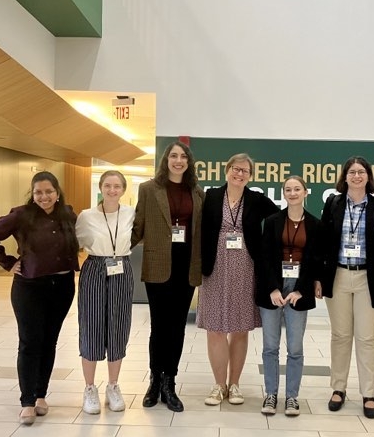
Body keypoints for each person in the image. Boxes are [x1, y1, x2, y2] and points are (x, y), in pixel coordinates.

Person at [0, 171, 79, 425]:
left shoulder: (67, 214)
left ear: (57, 193)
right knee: (29, 342)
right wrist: (8, 263)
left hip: (63, 285)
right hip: (29, 287)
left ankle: (41, 396)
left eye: (49, 191)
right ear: (32, 194)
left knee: (49, 341)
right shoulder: (21, 215)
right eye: (38, 192)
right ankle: (27, 401)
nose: (44, 196)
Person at [317, 156, 374, 419]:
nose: (356, 176)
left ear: (368, 177)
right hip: (339, 276)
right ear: (344, 177)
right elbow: (323, 242)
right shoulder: (333, 203)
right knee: (340, 336)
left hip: (369, 280)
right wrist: (319, 277)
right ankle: (338, 389)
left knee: (367, 338)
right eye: (351, 172)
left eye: (361, 172)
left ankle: (368, 393)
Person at [198, 153, 279, 406]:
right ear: (227, 170)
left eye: (245, 171)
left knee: (240, 328)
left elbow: (280, 218)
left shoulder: (256, 199)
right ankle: (218, 385)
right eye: (235, 168)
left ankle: (234, 385)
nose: (239, 173)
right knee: (215, 329)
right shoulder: (210, 196)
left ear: (250, 176)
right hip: (214, 267)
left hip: (245, 267)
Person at [132, 141, 204, 412]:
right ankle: (154, 380)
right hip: (158, 266)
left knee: (177, 328)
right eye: (173, 155)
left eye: (183, 156)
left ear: (189, 161)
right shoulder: (149, 189)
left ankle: (169, 383)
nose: (178, 160)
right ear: (166, 160)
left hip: (186, 268)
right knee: (159, 327)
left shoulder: (196, 192)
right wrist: (111, 249)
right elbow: (138, 225)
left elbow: (201, 232)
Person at [256, 176, 321, 416]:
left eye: (297, 189)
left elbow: (314, 261)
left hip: (298, 289)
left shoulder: (315, 224)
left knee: (295, 347)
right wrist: (272, 288)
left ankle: (292, 397)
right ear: (283, 193)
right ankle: (271, 395)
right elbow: (264, 258)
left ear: (306, 192)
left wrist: (300, 290)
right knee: (270, 346)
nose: (292, 193)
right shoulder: (272, 221)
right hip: (273, 286)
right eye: (288, 189)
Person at [76, 171, 135, 414]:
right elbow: (76, 243)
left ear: (123, 189)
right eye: (108, 186)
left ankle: (113, 386)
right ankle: (90, 388)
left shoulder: (131, 213)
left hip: (121, 267)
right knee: (91, 326)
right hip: (94, 268)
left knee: (118, 326)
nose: (112, 190)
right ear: (101, 188)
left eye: (117, 186)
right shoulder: (86, 216)